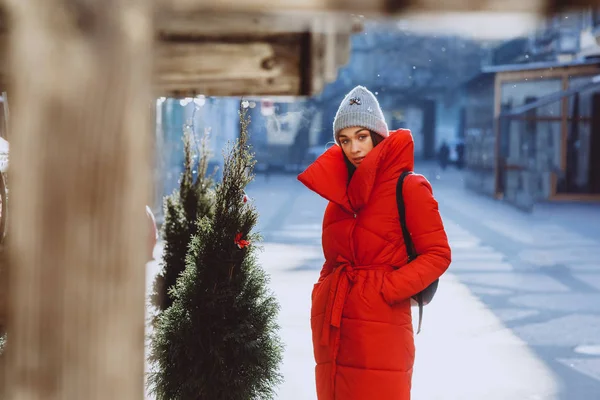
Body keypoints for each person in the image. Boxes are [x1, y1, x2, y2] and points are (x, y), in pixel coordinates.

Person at [297, 86, 451, 400]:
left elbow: (437, 254)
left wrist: (385, 289)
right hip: (336, 326)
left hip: (383, 329)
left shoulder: (408, 187)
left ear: (378, 135)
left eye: (361, 136)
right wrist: (325, 290)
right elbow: (333, 259)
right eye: (345, 139)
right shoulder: (338, 198)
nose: (354, 148)